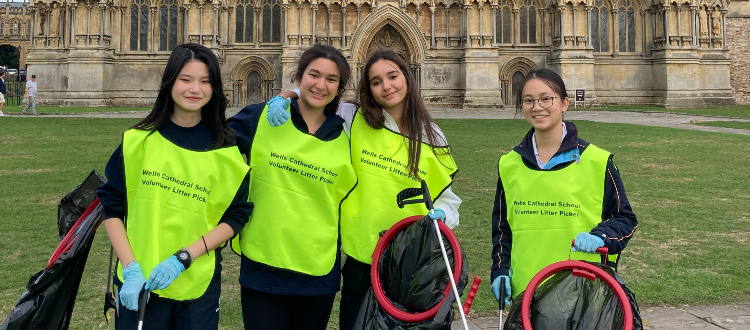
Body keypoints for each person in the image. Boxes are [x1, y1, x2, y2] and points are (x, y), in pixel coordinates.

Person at [268, 49, 461, 330]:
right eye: (376, 82)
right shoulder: (352, 118)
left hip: (410, 263)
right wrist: (287, 95)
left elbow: (447, 198)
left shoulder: (431, 135)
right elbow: (320, 93)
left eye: (393, 77)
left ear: (407, 77)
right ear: (368, 90)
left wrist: (444, 213)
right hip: (362, 260)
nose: (387, 86)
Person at [95, 43, 252, 330]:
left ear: (214, 88)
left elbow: (236, 215)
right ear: (170, 82)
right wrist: (130, 269)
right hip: (138, 282)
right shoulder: (137, 142)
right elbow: (112, 207)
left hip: (196, 286)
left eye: (205, 81)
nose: (195, 89)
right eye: (186, 79)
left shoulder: (227, 151)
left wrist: (184, 258)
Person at [227, 43, 357, 330]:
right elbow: (210, 151)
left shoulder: (348, 133)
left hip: (317, 272)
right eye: (313, 74)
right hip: (264, 268)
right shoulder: (261, 117)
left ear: (340, 87)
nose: (320, 85)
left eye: (331, 79)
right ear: (299, 77)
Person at [489, 69, 638, 307]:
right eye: (528, 100)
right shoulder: (509, 164)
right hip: (527, 295)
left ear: (565, 103)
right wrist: (499, 270)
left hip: (584, 293)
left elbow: (625, 219)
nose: (537, 107)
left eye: (546, 98)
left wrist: (601, 236)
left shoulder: (597, 161)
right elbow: (502, 229)